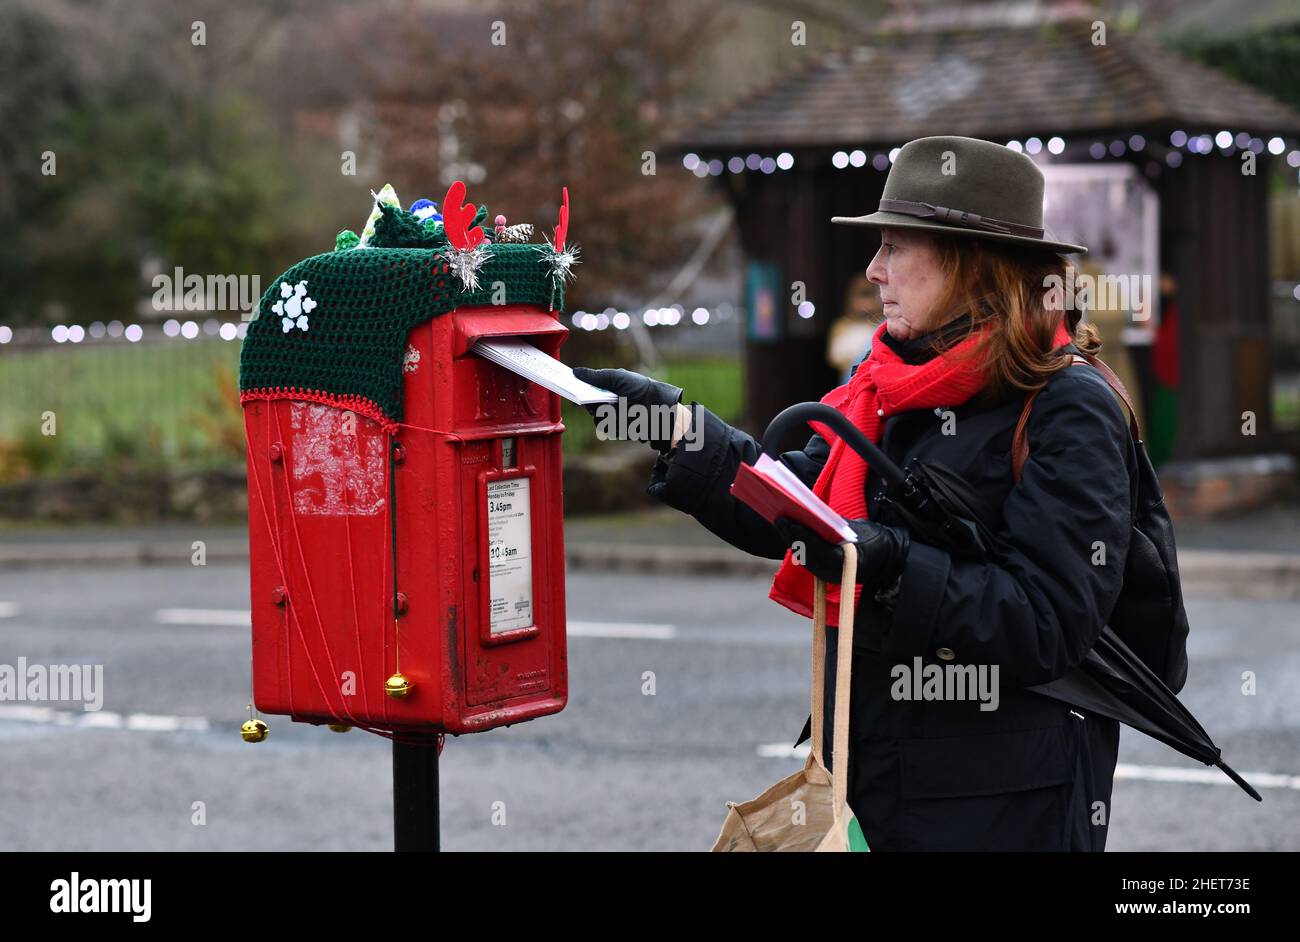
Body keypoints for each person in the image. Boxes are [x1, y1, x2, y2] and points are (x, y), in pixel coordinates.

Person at [573, 136, 1134, 852]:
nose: (873, 271)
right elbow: (796, 501)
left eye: (895, 248)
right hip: (873, 772)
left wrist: (895, 563)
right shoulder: (888, 379)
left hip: (997, 801)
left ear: (973, 267)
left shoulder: (1067, 405)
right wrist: (678, 427)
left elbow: (1049, 622)